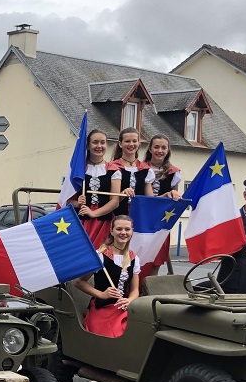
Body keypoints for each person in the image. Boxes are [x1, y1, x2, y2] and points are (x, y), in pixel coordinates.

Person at [74, 215, 140, 338]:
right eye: (119, 229)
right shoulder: (100, 255)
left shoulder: (134, 258)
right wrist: (102, 294)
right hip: (102, 308)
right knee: (114, 335)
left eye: (127, 229)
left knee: (137, 334)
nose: (123, 233)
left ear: (132, 231)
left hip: (123, 309)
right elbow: (80, 283)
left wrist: (129, 300)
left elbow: (135, 290)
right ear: (111, 231)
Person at [72, 129, 123, 248]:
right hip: (80, 221)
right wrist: (78, 203)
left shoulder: (113, 169)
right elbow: (66, 200)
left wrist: (94, 213)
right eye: (95, 142)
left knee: (100, 257)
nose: (99, 146)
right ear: (88, 146)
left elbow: (114, 202)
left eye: (102, 142)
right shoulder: (78, 169)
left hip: (103, 222)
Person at [143, 134, 182, 275]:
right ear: (150, 149)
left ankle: (149, 289)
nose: (160, 150)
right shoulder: (140, 168)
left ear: (168, 150)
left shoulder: (173, 172)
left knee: (157, 258)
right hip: (142, 219)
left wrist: (174, 195)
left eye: (163, 147)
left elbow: (174, 197)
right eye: (156, 147)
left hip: (161, 220)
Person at [107, 127, 154, 218]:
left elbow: (149, 199)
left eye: (134, 141)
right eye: (127, 141)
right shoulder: (112, 167)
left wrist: (166, 195)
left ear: (139, 143)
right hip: (116, 217)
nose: (131, 144)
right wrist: (122, 194)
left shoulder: (146, 169)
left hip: (139, 216)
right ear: (120, 144)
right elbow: (110, 200)